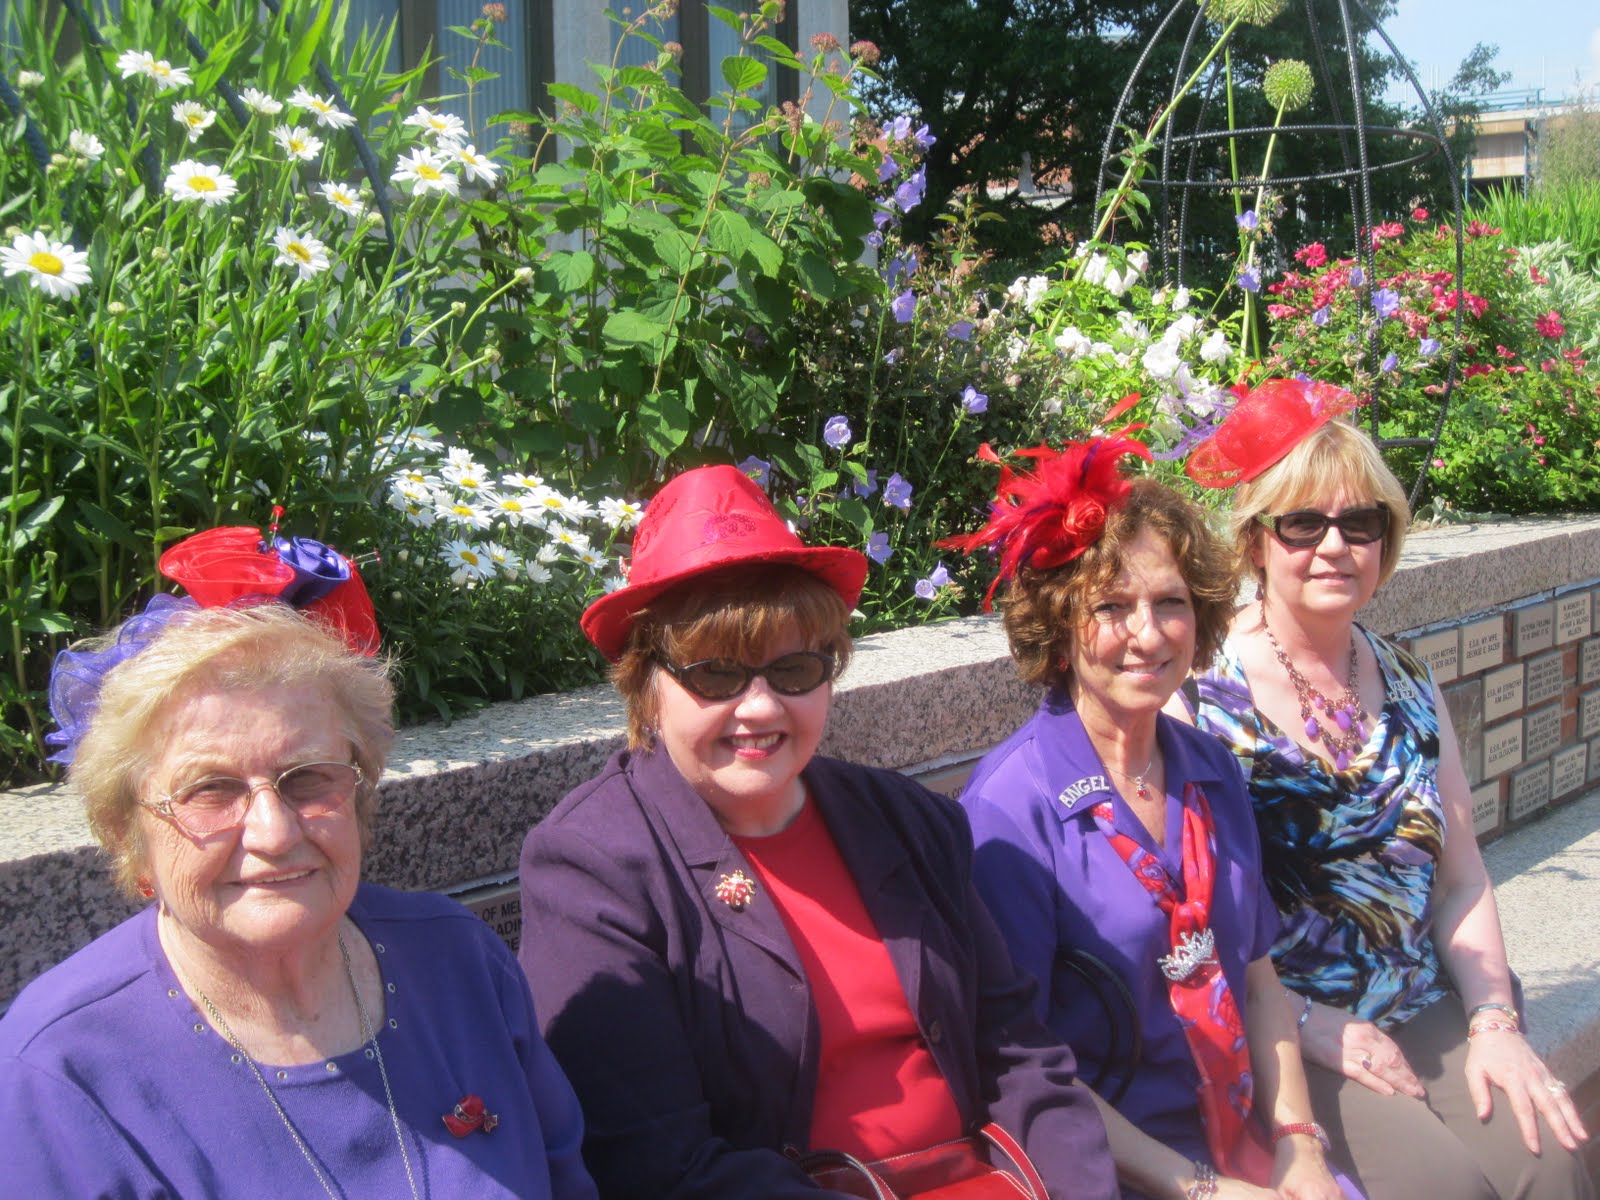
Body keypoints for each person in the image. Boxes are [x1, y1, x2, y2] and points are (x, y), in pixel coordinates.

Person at [517, 464, 1119, 1200]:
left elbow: (1023, 1059)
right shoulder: (594, 866)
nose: (761, 708)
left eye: (795, 669)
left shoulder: (909, 821)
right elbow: (659, 1167)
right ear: (647, 682)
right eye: (716, 676)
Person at [0, 526, 597, 1200]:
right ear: (126, 827)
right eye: (210, 790)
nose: (274, 832)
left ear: (358, 787)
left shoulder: (459, 960)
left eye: (307, 777)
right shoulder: (58, 1074)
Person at [1178, 378, 1592, 1200]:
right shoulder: (1196, 694)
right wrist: (1302, 1021)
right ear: (1258, 540)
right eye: (1302, 522)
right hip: (1289, 1027)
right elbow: (1183, 916)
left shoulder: (1407, 676)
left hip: (1418, 995)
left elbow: (1463, 876)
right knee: (1442, 1188)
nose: (1334, 545)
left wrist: (1496, 1022)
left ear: (1385, 542)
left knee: (1551, 1162)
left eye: (1359, 523)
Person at [946, 437, 1345, 1200]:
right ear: (1059, 626)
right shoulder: (1009, 810)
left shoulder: (1211, 769)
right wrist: (1200, 1189)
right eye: (1111, 607)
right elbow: (1025, 1063)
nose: (1149, 634)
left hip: (1247, 1142)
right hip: (1117, 1171)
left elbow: (1258, 983)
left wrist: (1300, 1148)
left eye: (1170, 603)